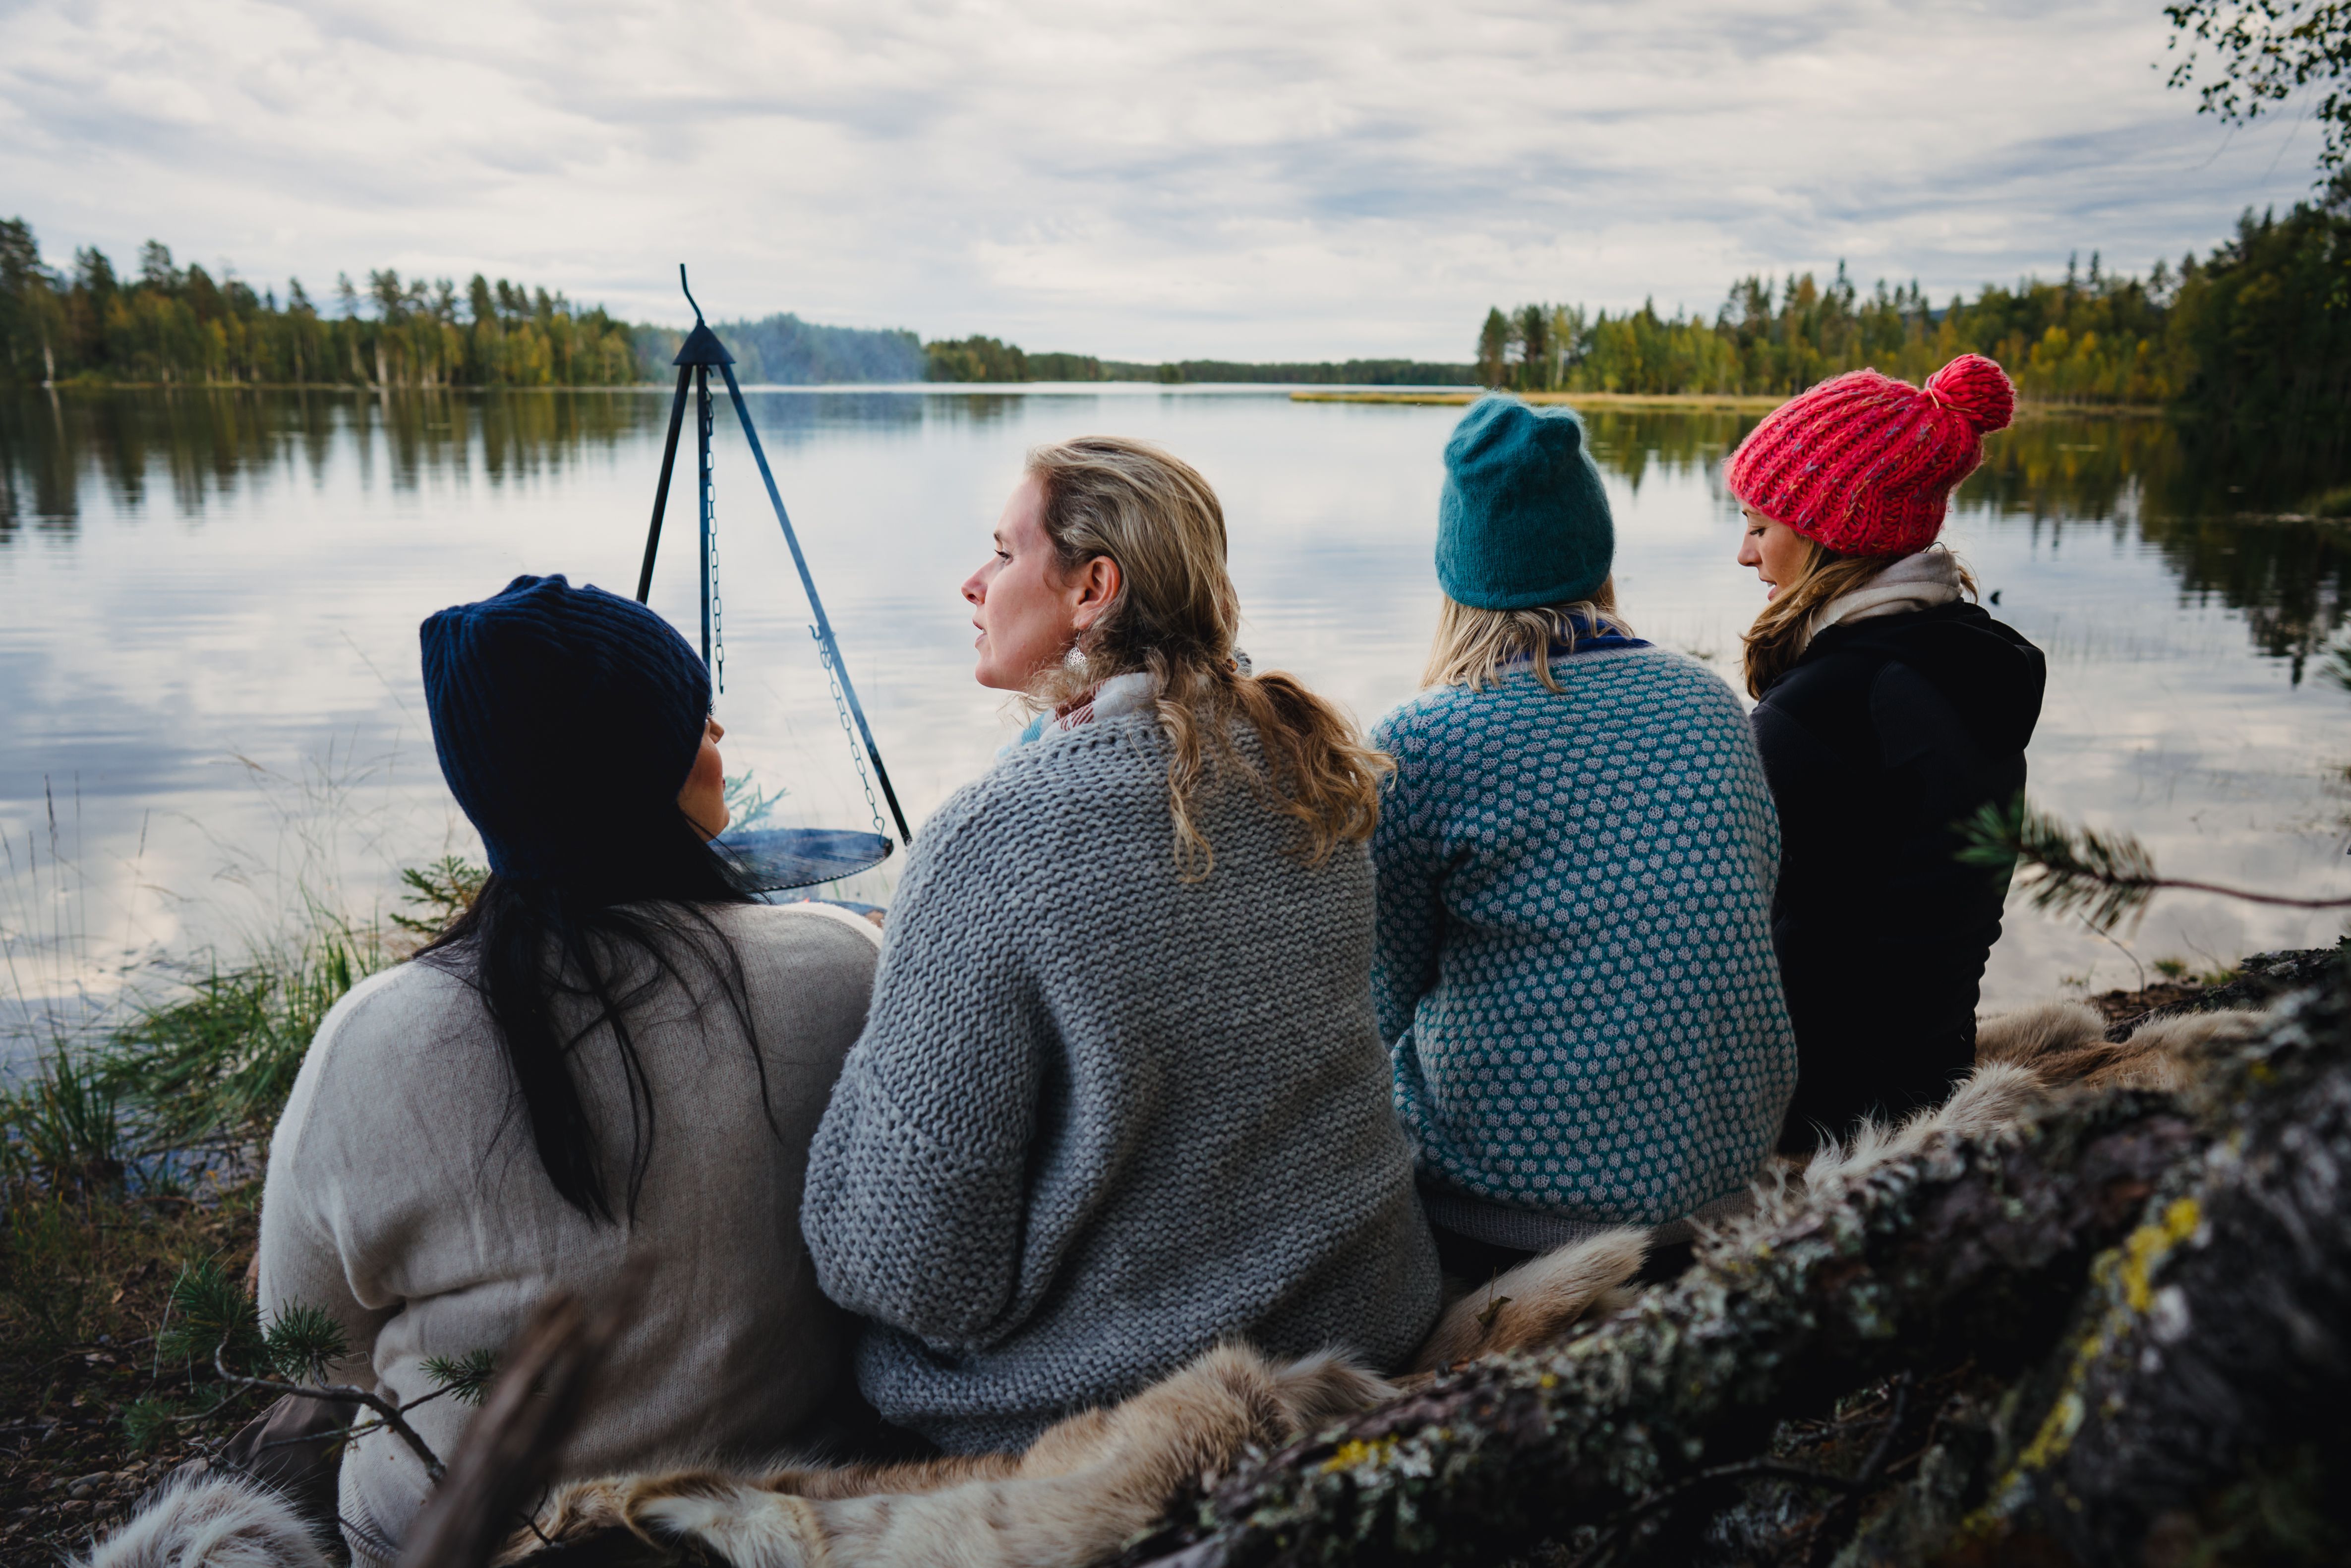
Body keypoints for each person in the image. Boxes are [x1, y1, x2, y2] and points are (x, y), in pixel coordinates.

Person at [801, 437, 1442, 1454]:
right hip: (1365, 1311)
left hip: (1144, 1403)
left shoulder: (992, 839)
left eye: (1003, 553)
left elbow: (906, 1270)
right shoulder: (1308, 773)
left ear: (1093, 588)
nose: (971, 582)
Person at [257, 574, 882, 1563]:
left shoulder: (377, 1036)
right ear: (633, 767)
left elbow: (311, 1345)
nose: (715, 725)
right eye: (687, 714)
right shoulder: (842, 965)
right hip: (768, 1528)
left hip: (458, 1539)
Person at [1369, 395, 1797, 1282]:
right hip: (1725, 1184)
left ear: (1459, 570)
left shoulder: (1423, 740)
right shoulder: (1707, 702)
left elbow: (1373, 1003)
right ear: (1595, 553)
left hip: (1516, 1221)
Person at [1725, 353, 2046, 1148]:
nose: (1745, 552)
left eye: (1762, 525)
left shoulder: (1822, 710)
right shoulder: (1968, 664)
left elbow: (1715, 931)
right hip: (1925, 1070)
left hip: (1816, 1110)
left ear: (1833, 535)